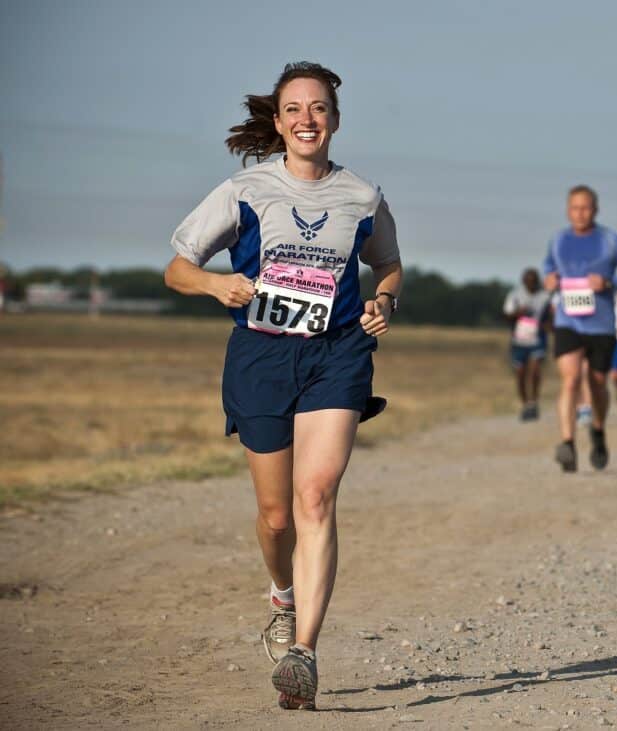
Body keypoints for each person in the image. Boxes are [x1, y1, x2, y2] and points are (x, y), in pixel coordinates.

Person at [164, 62, 402, 711]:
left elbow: (388, 262)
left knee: (316, 495)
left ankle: (304, 651)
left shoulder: (362, 194)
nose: (307, 119)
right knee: (276, 517)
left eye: (319, 108)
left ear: (335, 118)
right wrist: (216, 284)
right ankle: (282, 594)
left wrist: (385, 299)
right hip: (262, 356)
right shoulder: (244, 189)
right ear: (277, 121)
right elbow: (177, 267)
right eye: (294, 109)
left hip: (338, 352)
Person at [542, 185, 617, 472]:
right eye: (575, 208)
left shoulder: (612, 241)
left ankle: (598, 432)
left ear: (596, 210)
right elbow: (548, 268)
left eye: (585, 208)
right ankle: (568, 444)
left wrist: (610, 282)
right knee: (571, 379)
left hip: (601, 324)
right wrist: (550, 280)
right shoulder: (559, 240)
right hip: (568, 321)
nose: (580, 213)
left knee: (597, 384)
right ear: (567, 210)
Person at [503, 268, 552, 420]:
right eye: (528, 281)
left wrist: (548, 325)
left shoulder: (545, 296)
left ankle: (534, 402)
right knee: (521, 374)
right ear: (523, 281)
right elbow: (506, 314)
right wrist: (518, 313)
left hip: (537, 340)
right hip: (519, 340)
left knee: (536, 370)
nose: (531, 284)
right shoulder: (514, 295)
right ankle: (525, 404)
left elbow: (551, 316)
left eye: (534, 281)